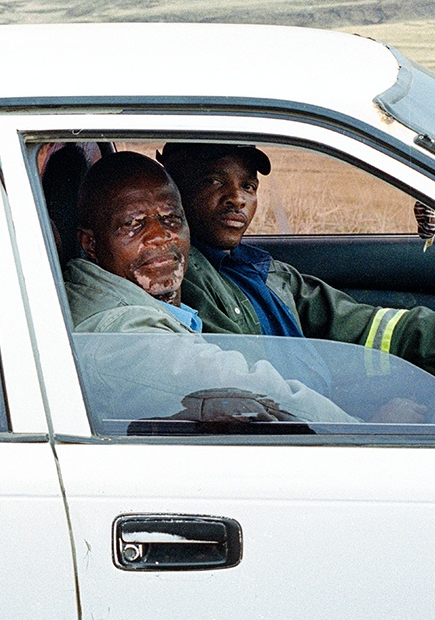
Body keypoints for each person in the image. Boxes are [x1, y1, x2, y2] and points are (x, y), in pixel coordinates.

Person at [62, 151, 352, 424]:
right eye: (133, 224)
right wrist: (367, 430)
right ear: (90, 243)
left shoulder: (117, 294)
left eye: (171, 220)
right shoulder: (120, 336)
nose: (160, 236)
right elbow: (260, 394)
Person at [159, 141, 435, 372]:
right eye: (214, 181)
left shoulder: (265, 272)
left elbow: (364, 325)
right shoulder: (181, 282)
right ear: (171, 188)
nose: (237, 198)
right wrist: (360, 425)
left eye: (248, 186)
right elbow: (253, 398)